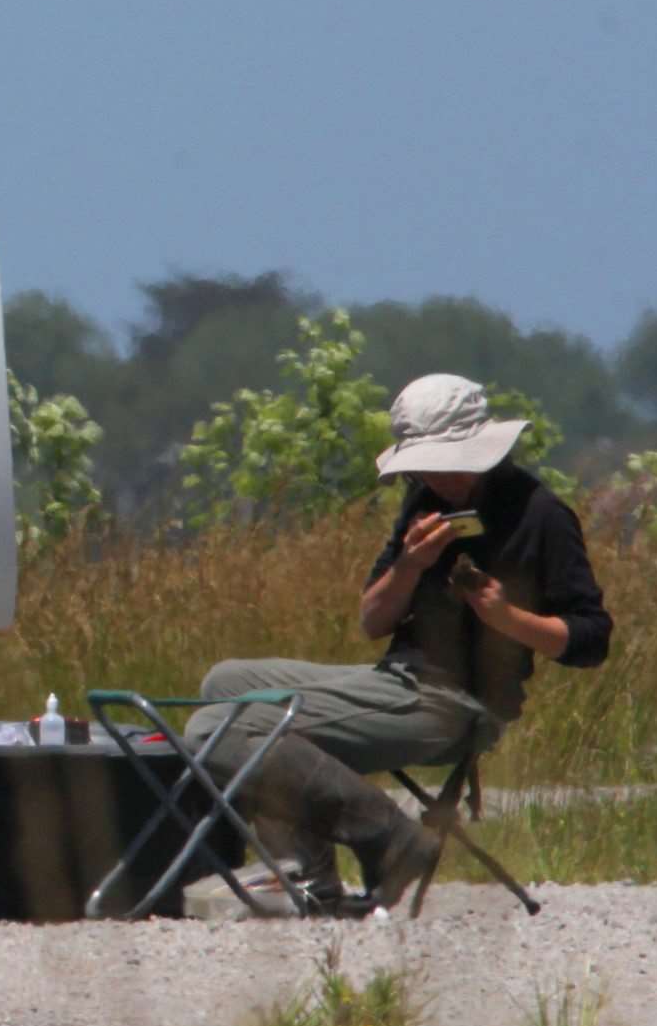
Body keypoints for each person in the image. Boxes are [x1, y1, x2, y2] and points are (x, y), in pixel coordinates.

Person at [191, 373, 613, 907]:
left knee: (216, 727)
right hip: (399, 677)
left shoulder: (542, 514)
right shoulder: (423, 500)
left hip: (456, 702)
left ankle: (389, 838)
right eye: (424, 465)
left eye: (446, 463)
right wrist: (411, 564)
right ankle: (308, 873)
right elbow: (373, 621)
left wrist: (506, 618)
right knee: (223, 683)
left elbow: (592, 640)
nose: (435, 476)